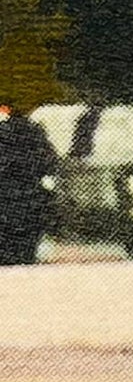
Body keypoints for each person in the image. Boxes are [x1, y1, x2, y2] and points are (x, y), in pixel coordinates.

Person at [0, 104, 60, 265]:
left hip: (10, 194)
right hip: (28, 193)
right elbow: (48, 161)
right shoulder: (33, 130)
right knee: (25, 247)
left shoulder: (14, 130)